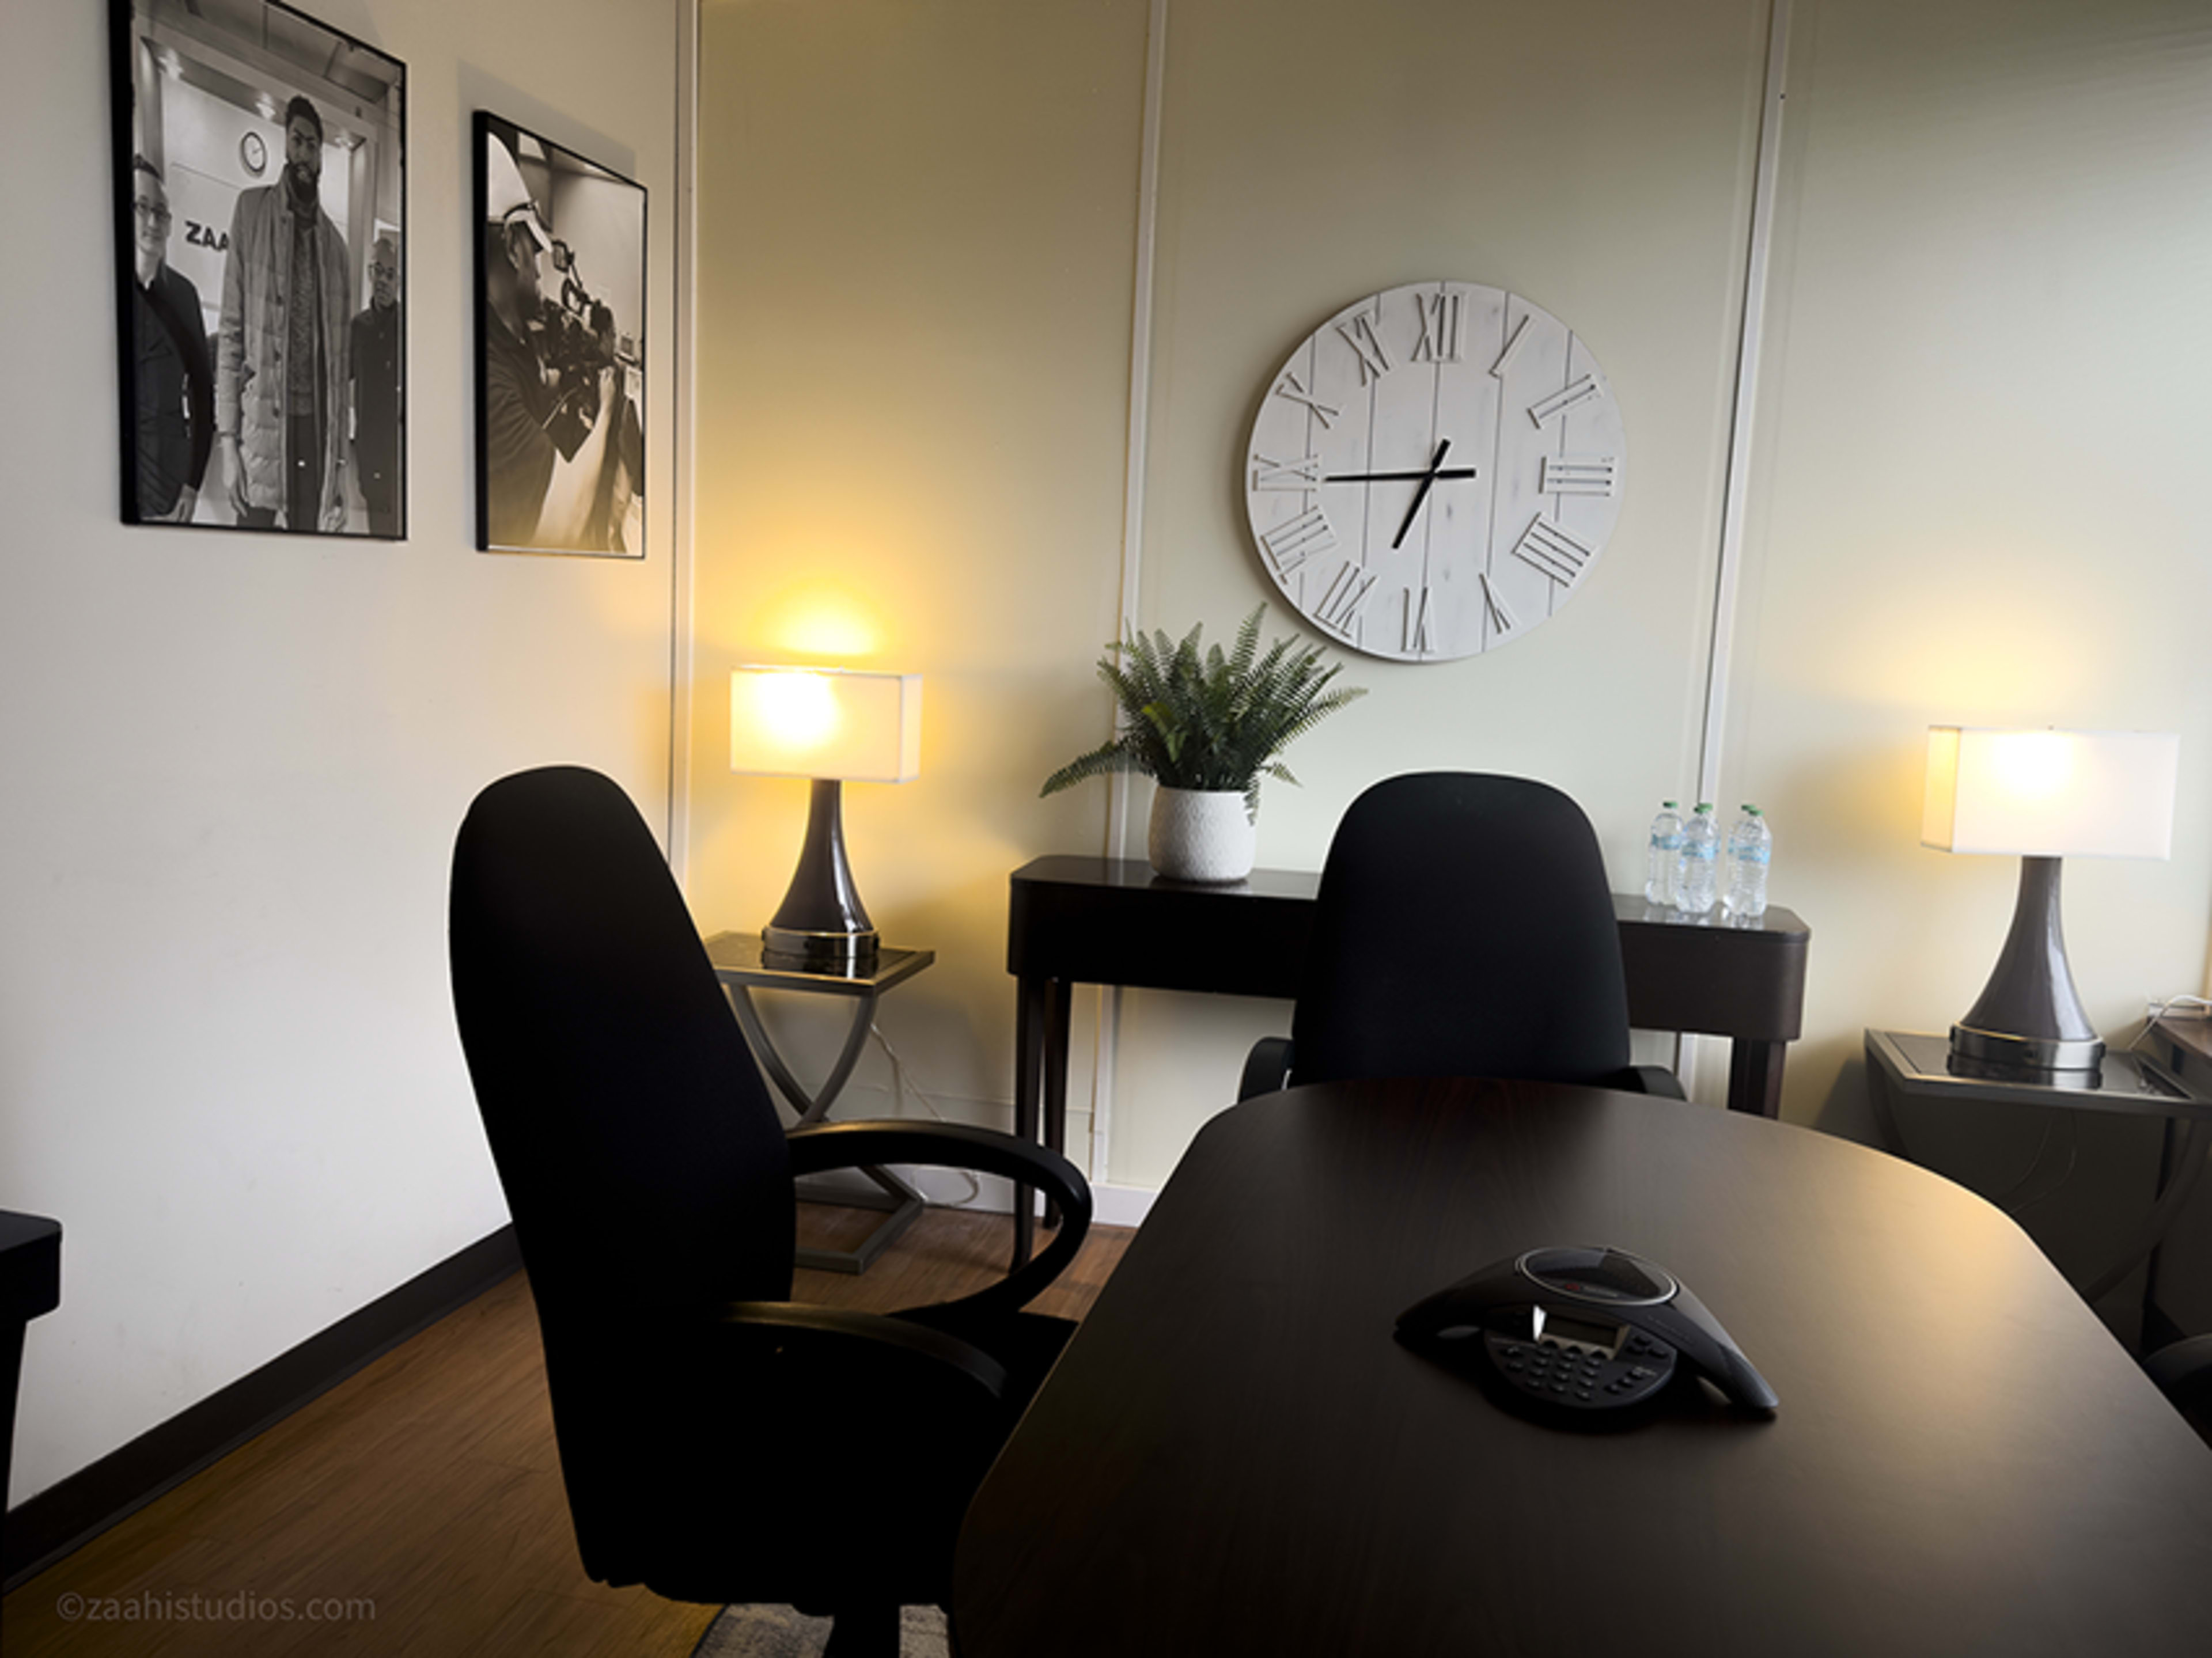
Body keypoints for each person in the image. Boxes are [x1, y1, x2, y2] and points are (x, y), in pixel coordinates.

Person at [215, 94, 351, 533]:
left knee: (307, 563)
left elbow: (341, 365)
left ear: (321, 155)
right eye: (298, 141)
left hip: (313, 431)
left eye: (313, 145)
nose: (305, 154)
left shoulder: (336, 248)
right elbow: (231, 334)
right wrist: (227, 443)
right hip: (260, 429)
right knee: (249, 560)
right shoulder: (251, 212)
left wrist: (341, 467)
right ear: (285, 144)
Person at [479, 129, 619, 550]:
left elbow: (534, 387)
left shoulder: (508, 340)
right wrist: (609, 405)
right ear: (511, 246)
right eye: (534, 253)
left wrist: (556, 382)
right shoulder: (488, 377)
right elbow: (563, 523)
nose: (540, 273)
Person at [127, 157, 213, 523]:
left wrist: (192, 484)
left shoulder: (182, 295)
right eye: (142, 208)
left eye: (161, 213)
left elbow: (203, 393)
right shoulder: (97, 285)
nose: (152, 222)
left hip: (170, 489)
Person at [350, 234, 403, 537]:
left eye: (390, 274)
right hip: (371, 456)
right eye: (377, 270)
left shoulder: (410, 328)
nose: (382, 280)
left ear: (399, 281)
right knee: (377, 536)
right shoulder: (358, 328)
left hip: (404, 457)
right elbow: (338, 377)